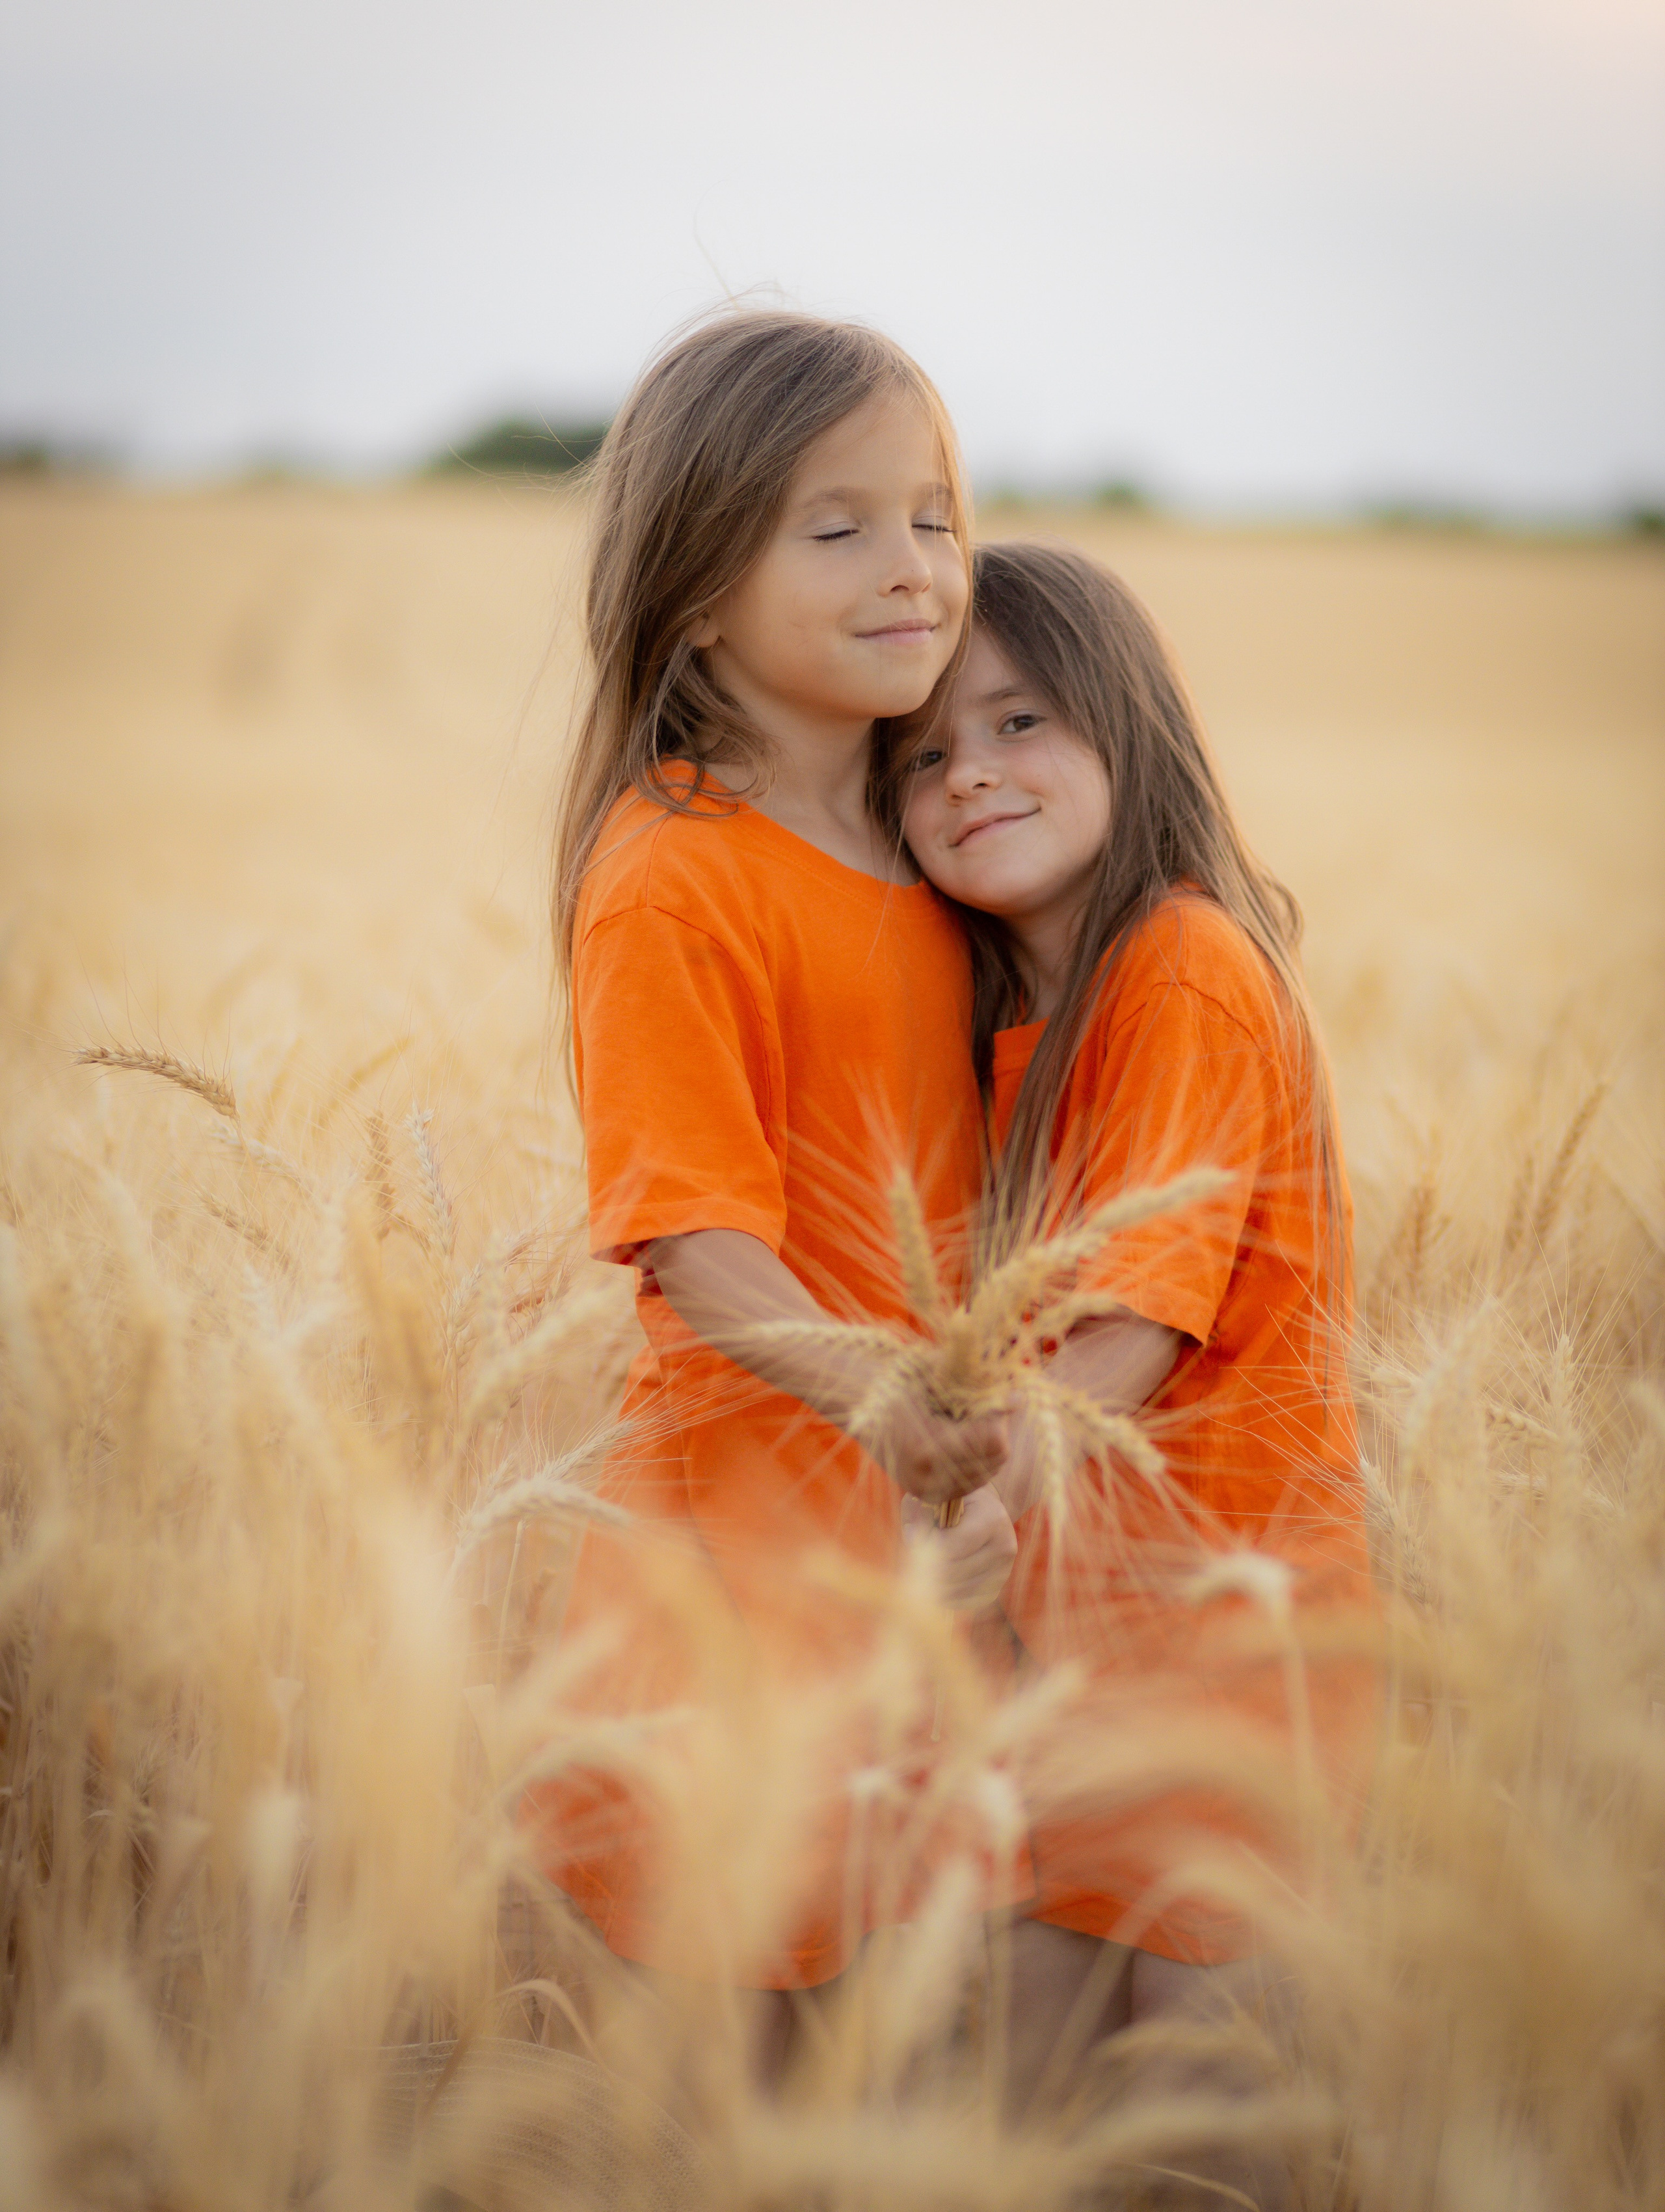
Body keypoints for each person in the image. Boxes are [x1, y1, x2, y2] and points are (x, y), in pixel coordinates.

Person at [525, 311, 1023, 2056]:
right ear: (695, 587)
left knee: (897, 2057)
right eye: (842, 525)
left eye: (938, 517)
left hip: (924, 1553)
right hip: (736, 1565)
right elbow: (692, 1240)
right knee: (742, 2061)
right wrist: (889, 1398)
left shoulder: (947, 836)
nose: (917, 568)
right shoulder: (675, 875)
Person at [899, 540, 1375, 2175]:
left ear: (1125, 722)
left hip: (1229, 1656)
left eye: (1018, 721)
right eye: (923, 756)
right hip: (1065, 1656)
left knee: (1195, 2113)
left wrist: (940, 1512)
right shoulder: (1015, 1022)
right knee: (1029, 2110)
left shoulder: (1179, 968)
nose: (969, 776)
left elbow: (1126, 1335)